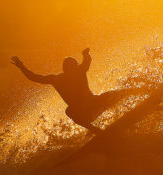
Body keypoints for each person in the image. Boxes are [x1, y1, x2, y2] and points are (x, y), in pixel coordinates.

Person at [11, 48, 144, 134]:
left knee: (120, 93)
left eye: (75, 67)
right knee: (69, 111)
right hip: (85, 114)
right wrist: (21, 66)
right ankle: (95, 131)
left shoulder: (78, 72)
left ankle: (147, 91)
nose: (74, 70)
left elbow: (86, 62)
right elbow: (34, 77)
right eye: (71, 68)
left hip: (97, 104)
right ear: (65, 69)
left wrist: (86, 55)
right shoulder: (57, 79)